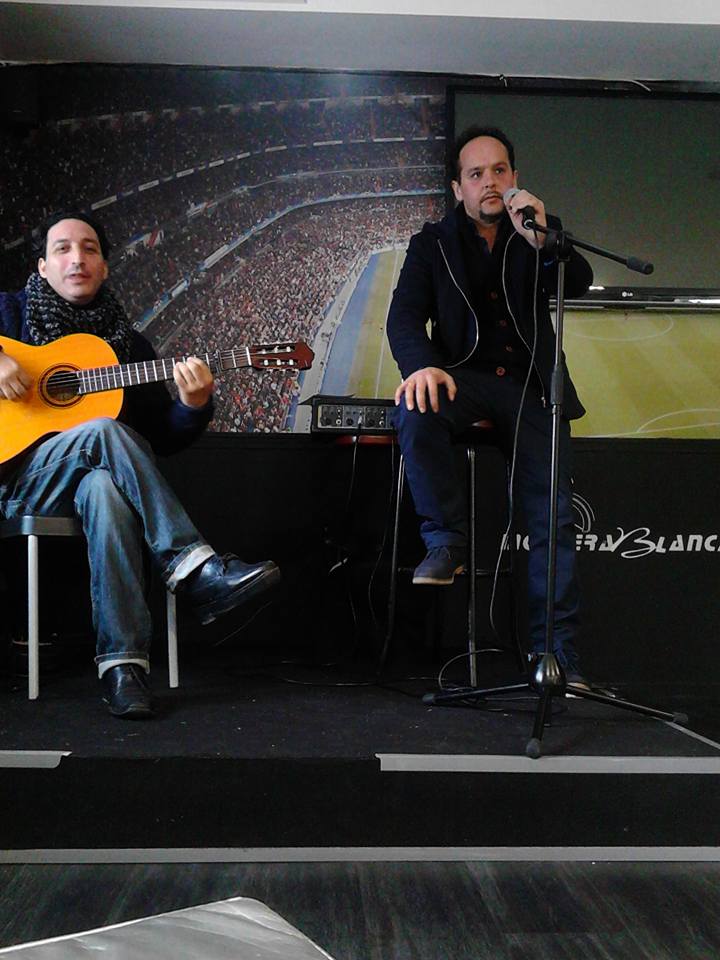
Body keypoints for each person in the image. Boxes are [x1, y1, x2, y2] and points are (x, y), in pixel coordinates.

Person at [0, 212, 280, 718]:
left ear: (105, 267)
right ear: (42, 267)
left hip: (84, 487)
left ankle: (122, 669)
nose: (77, 258)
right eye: (62, 249)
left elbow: (162, 438)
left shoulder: (131, 349)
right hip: (18, 480)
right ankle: (194, 567)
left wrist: (193, 405)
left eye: (88, 249)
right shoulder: (8, 313)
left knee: (106, 489)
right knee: (105, 433)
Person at [386, 126, 593, 684]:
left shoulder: (536, 235)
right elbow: (403, 317)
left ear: (515, 178)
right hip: (462, 379)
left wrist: (545, 239)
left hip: (531, 386)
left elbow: (579, 281)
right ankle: (445, 540)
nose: (490, 182)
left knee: (551, 519)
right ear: (458, 188)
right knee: (413, 406)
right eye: (476, 174)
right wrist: (421, 365)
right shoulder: (431, 243)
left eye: (499, 170)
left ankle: (556, 657)